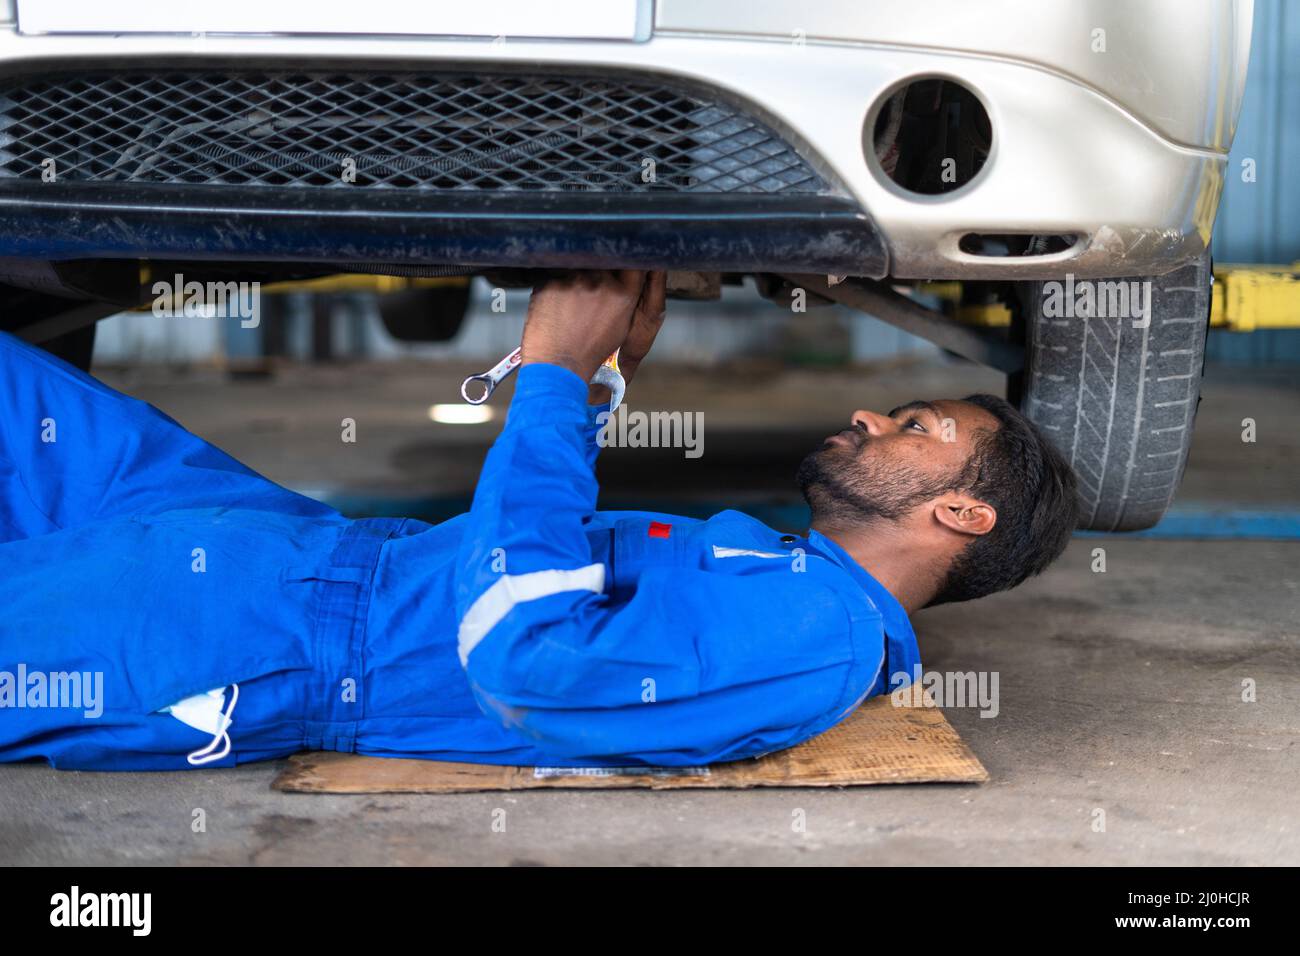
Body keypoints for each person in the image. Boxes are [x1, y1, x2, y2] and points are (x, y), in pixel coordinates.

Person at [0, 271, 1078, 771]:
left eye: (915, 424)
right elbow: (548, 549)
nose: (869, 414)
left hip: (247, 633)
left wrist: (554, 376)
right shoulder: (800, 581)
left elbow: (527, 661)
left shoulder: (822, 642)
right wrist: (597, 376)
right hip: (280, 540)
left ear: (960, 509)